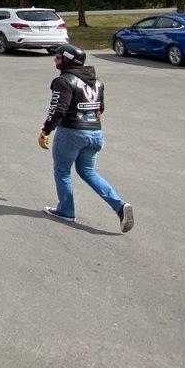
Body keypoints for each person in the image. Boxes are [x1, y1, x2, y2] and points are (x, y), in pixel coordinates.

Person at [40, 43, 133, 232]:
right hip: (95, 133)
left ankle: (66, 210)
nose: (55, 60)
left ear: (68, 60)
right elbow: (100, 110)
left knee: (62, 171)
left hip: (71, 132)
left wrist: (46, 130)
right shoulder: (97, 82)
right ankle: (120, 206)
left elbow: (58, 109)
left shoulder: (64, 81)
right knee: (88, 171)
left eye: (58, 57)